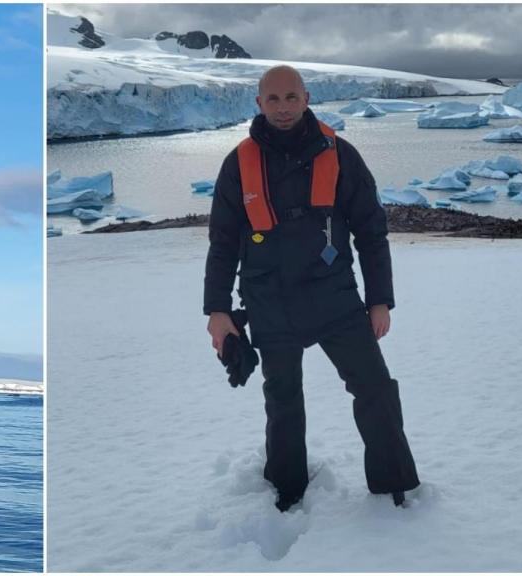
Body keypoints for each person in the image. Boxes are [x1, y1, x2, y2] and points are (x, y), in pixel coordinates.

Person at [203, 65, 420, 512]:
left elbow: (371, 231)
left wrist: (379, 299)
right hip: (269, 301)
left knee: (375, 388)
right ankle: (286, 490)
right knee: (282, 400)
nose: (283, 108)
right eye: (273, 99)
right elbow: (222, 242)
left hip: (334, 297)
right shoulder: (237, 163)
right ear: (259, 103)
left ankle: (393, 483)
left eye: (291, 97)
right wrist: (218, 310)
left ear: (306, 98)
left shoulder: (340, 154)